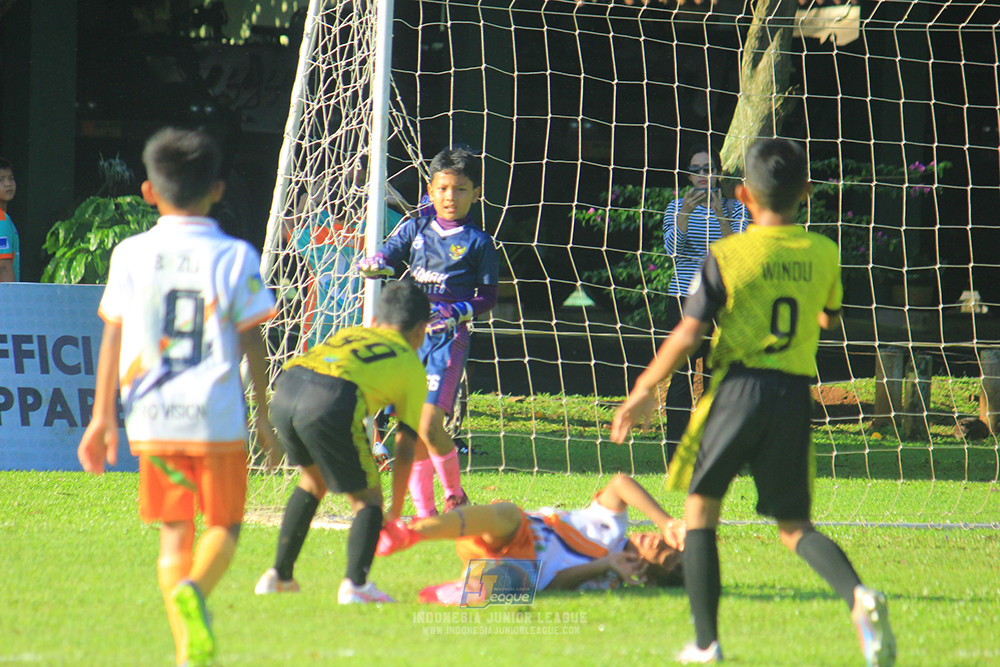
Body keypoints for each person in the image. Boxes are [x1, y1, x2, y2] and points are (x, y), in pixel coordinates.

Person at [612, 138, 895, 666]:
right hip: (792, 396)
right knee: (794, 528)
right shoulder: (824, 252)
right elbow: (826, 318)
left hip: (737, 391)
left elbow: (687, 334)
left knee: (699, 515)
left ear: (741, 195)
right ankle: (857, 596)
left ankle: (706, 643)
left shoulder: (728, 254)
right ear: (806, 193)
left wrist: (643, 389)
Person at [77, 127, 279, 667]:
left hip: (153, 417)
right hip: (215, 416)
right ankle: (195, 592)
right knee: (224, 527)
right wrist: (263, 414)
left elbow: (113, 335)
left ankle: (188, 650)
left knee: (174, 532)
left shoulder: (130, 254)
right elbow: (253, 339)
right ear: (218, 189)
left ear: (148, 191)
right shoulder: (236, 256)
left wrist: (102, 419)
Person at [254, 279, 430, 603]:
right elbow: (406, 445)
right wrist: (395, 506)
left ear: (377, 319)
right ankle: (356, 586)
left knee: (313, 481)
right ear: (421, 329)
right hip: (331, 399)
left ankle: (278, 575)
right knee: (369, 499)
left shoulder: (353, 332)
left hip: (287, 388)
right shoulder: (411, 364)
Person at [357, 147, 499, 517]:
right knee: (409, 427)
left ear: (477, 192)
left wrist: (457, 311)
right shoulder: (415, 228)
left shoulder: (479, 243)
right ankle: (425, 514)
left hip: (447, 340)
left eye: (461, 189)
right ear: (430, 189)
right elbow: (388, 254)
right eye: (444, 188)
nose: (451, 197)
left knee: (429, 422)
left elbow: (487, 297)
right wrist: (376, 264)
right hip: (408, 337)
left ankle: (455, 495)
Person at [376, 473, 685, 602]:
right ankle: (410, 533)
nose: (658, 540)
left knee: (514, 586)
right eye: (665, 539)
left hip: (524, 572)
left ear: (647, 575)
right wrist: (666, 520)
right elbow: (620, 483)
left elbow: (555, 586)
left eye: (663, 553)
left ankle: (461, 590)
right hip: (513, 533)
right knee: (508, 514)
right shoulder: (612, 526)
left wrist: (605, 564)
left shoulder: (613, 577)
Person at [660, 147, 749, 460]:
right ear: (688, 175)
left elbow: (735, 251)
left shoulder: (737, 209)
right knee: (681, 375)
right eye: (695, 169)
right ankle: (675, 454)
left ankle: (715, 452)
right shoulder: (674, 207)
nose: (702, 174)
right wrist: (685, 213)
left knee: (717, 376)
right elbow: (673, 249)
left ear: (719, 174)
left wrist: (720, 213)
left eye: (708, 168)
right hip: (684, 298)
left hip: (724, 301)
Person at [0, 157, 20, 282]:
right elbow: (3, 267)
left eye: (11, 178)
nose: (8, 184)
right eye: (0, 180)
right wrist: (13, 301)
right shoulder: (1, 219)